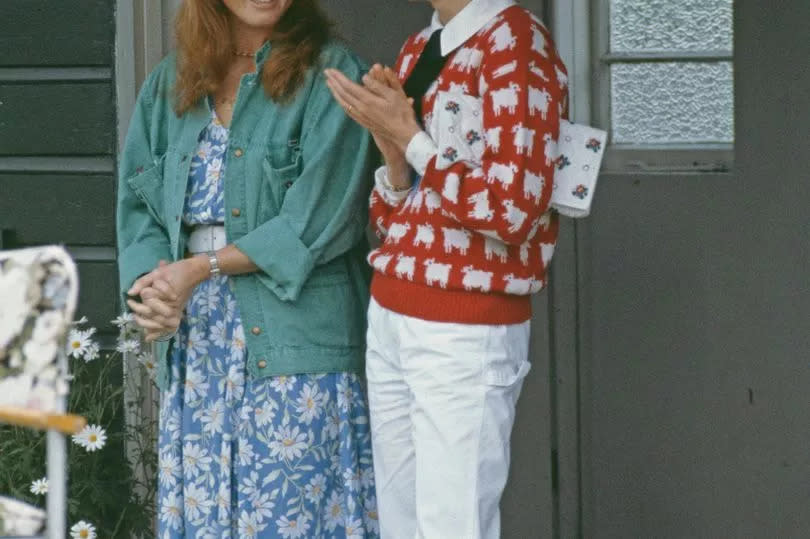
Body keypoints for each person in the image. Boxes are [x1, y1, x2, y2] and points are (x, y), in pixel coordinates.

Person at [117, 0, 379, 536]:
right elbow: (140, 202)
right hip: (198, 342)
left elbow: (319, 217)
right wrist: (152, 288)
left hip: (295, 338)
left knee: (289, 517)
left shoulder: (330, 72)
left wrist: (201, 268)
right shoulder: (173, 79)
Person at [325, 0, 569, 536]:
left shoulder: (517, 41)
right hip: (392, 311)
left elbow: (512, 211)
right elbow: (396, 219)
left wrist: (411, 138)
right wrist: (391, 149)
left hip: (464, 324)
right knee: (400, 522)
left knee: (451, 524)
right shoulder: (422, 46)